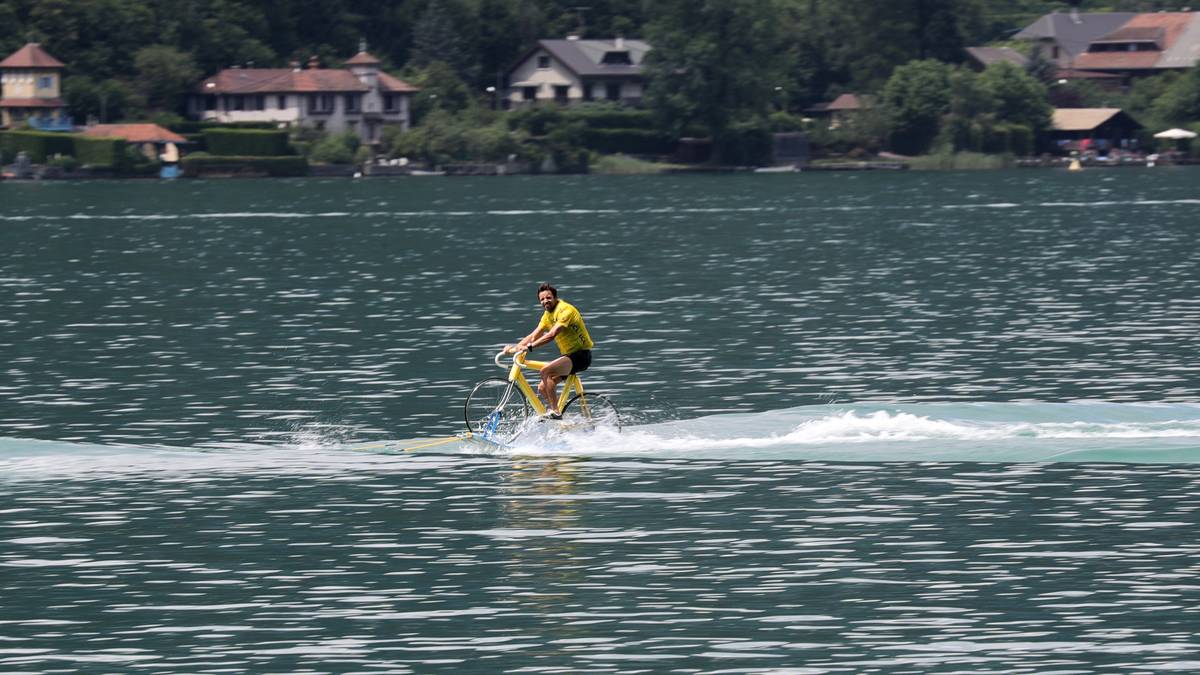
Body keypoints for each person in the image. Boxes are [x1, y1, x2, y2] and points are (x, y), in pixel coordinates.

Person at [505, 283, 594, 418]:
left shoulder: (565, 310)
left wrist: (529, 347)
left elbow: (552, 334)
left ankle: (556, 412)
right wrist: (514, 347)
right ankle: (561, 419)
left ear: (555, 297)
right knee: (542, 387)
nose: (545, 301)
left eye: (548, 298)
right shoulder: (547, 315)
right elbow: (534, 335)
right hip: (568, 356)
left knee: (545, 371)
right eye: (542, 299)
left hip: (581, 356)